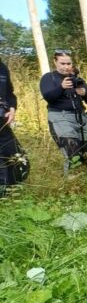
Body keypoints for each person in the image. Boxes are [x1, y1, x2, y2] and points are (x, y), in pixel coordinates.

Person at [39, 49, 87, 174]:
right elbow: (48, 97)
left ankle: (85, 180)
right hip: (60, 117)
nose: (66, 67)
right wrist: (61, 87)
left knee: (86, 150)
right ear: (55, 62)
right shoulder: (49, 78)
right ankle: (71, 183)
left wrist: (85, 93)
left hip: (81, 118)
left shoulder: (77, 79)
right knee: (72, 151)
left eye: (68, 64)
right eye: (62, 63)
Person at [0, 48, 19, 194]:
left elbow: (10, 93)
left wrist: (12, 108)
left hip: (3, 120)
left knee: (12, 153)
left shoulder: (2, 68)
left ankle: (9, 191)